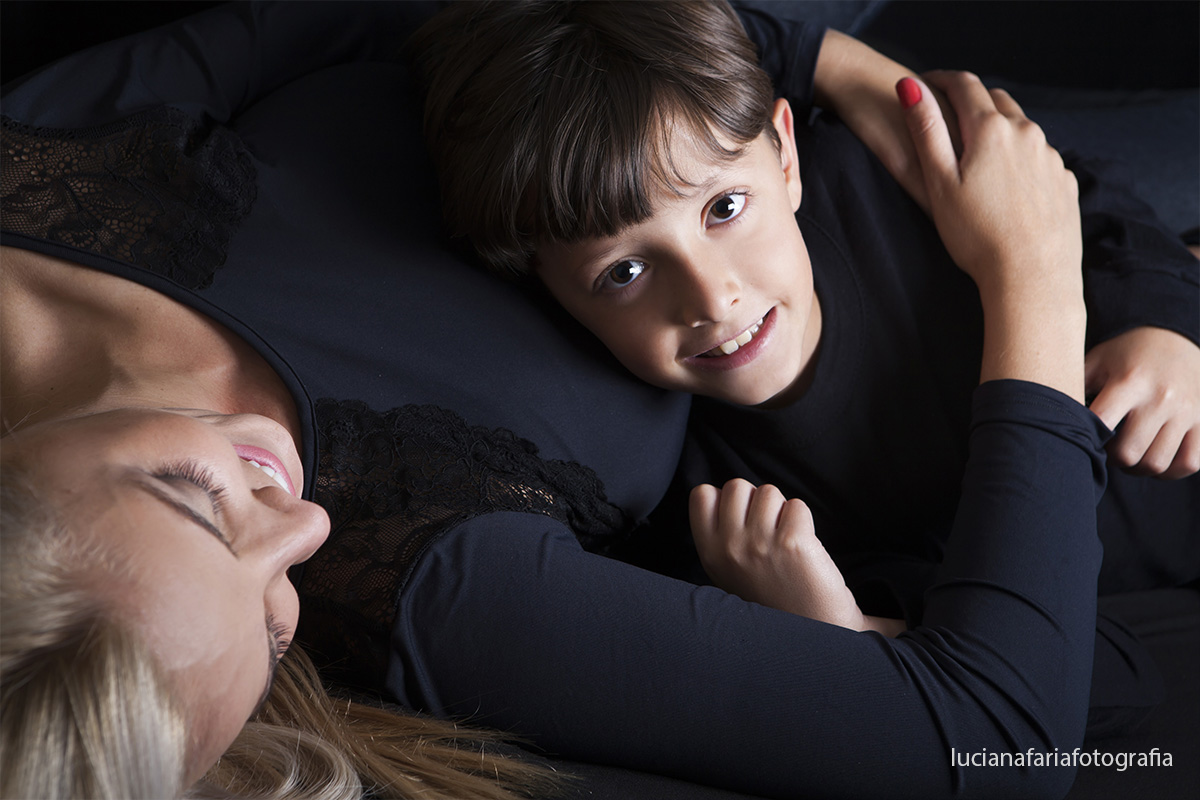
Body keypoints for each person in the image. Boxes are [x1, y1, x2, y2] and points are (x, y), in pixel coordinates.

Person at [0, 3, 1158, 799]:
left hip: (752, 122)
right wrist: (1031, 270)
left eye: (196, 502)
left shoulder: (47, 160)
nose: (301, 530)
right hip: (944, 357)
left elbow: (425, 19)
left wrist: (820, 72)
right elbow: (995, 737)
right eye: (273, 620)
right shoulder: (431, 596)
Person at [410, 0, 1200, 616]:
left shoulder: (871, 174)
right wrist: (845, 627)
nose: (714, 297)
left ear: (785, 155)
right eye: (624, 271)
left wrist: (1163, 321)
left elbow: (1077, 202)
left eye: (724, 209)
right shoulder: (704, 509)